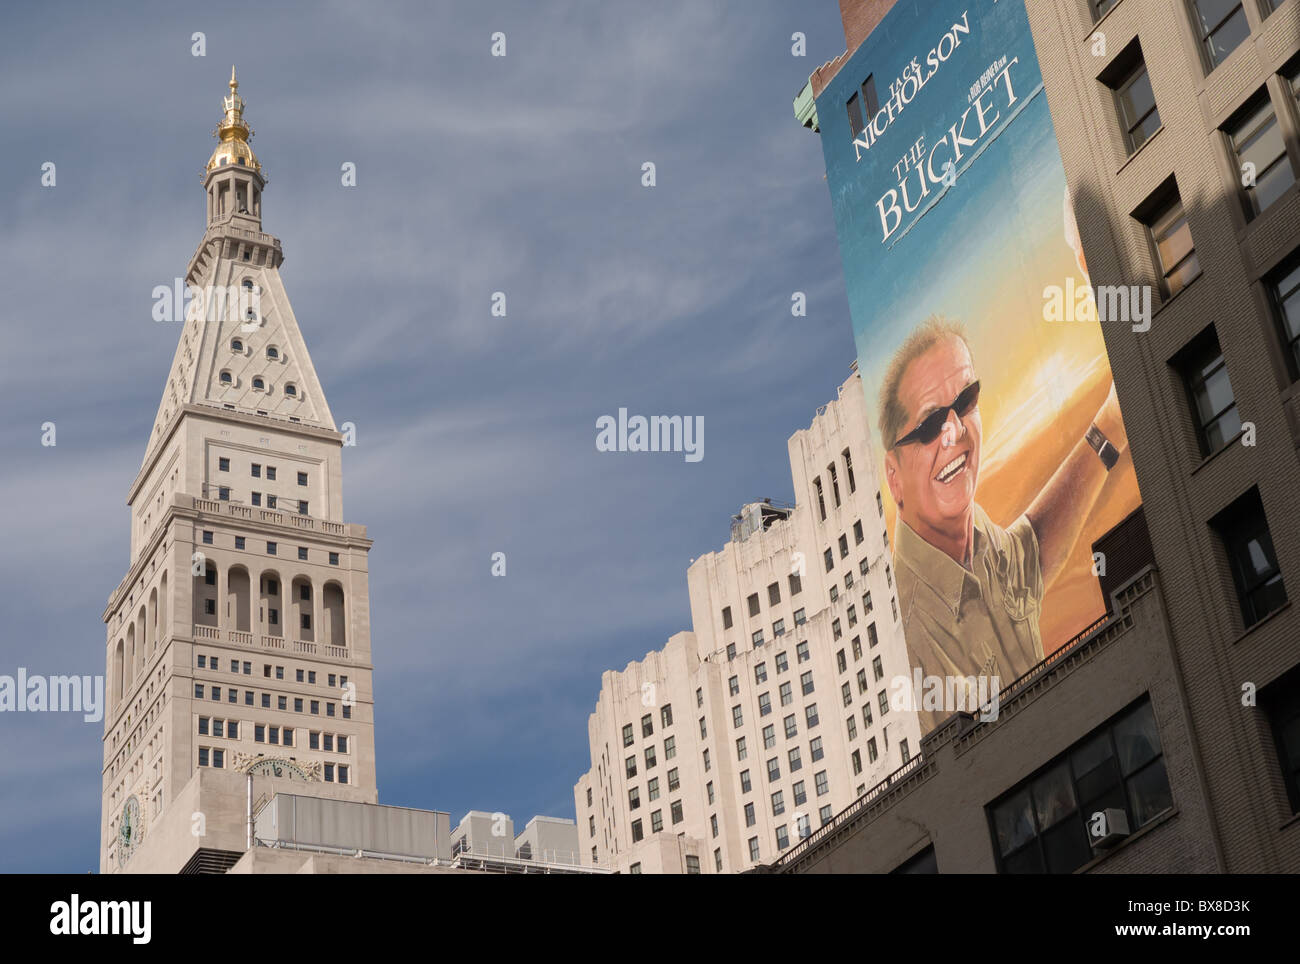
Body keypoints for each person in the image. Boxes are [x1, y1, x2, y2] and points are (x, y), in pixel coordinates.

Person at [879, 316, 1127, 732]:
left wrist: (1112, 425)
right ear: (893, 477)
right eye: (927, 425)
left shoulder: (976, 540)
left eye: (965, 402)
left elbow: (1032, 552)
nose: (954, 431)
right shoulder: (907, 634)